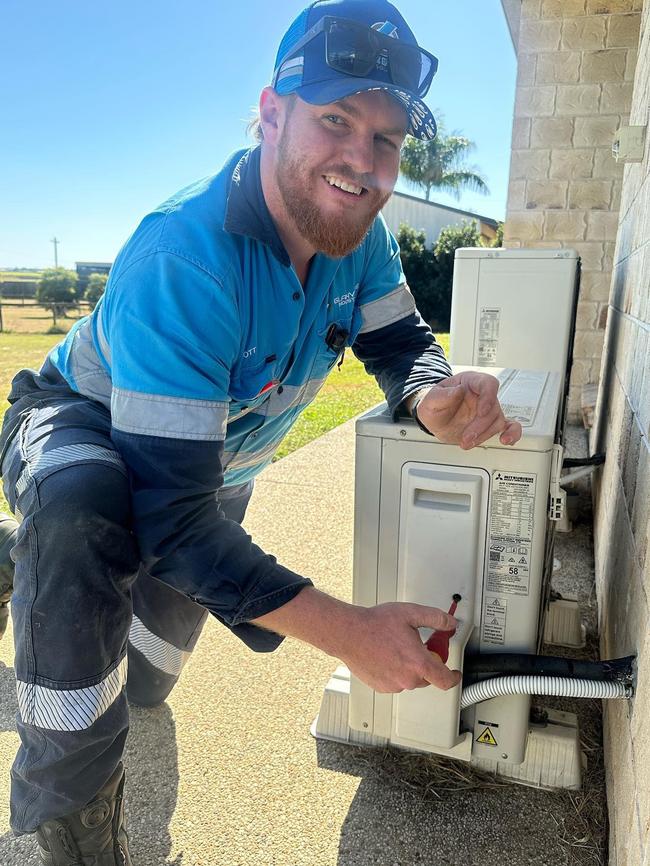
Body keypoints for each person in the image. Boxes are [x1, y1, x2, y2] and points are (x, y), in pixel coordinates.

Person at [0, 1, 522, 862]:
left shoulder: (363, 238)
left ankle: (21, 559)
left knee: (144, 686)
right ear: (272, 113)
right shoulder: (185, 255)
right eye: (335, 119)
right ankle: (72, 814)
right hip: (74, 423)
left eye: (386, 138)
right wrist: (348, 630)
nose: (362, 160)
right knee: (88, 523)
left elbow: (399, 341)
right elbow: (171, 526)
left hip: (207, 472)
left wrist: (431, 393)